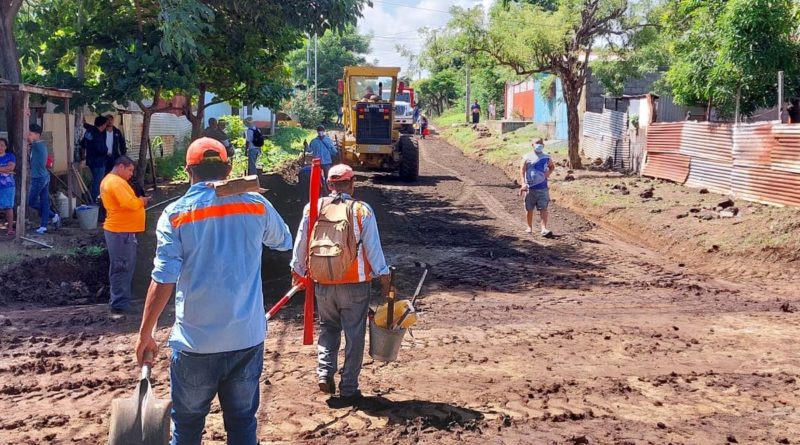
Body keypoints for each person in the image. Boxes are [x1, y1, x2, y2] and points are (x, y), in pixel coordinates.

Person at [135, 137, 292, 444]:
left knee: (188, 428)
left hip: (196, 344)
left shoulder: (176, 214)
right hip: (246, 339)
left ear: (188, 171)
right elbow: (283, 241)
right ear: (228, 168)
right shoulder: (256, 204)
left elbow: (164, 277)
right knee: (243, 423)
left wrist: (146, 333)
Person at [290, 164, 391, 406]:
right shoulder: (361, 211)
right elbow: (373, 250)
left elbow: (302, 242)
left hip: (323, 283)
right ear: (352, 184)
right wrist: (385, 279)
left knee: (328, 328)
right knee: (354, 336)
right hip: (355, 286)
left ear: (329, 185)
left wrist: (298, 271)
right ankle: (348, 388)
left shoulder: (313, 208)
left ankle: (324, 372)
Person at [100, 156, 150, 313]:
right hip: (120, 232)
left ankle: (121, 300)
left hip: (122, 231)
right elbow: (128, 203)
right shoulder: (115, 182)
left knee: (124, 266)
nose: (131, 174)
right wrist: (142, 201)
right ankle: (120, 303)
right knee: (122, 266)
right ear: (121, 166)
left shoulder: (114, 181)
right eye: (130, 170)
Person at [519, 138, 555, 237]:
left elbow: (552, 166)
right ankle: (529, 227)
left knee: (543, 208)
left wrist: (549, 172)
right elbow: (522, 171)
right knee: (529, 208)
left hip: (543, 187)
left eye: (541, 143)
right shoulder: (527, 157)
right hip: (530, 187)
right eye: (537, 143)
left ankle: (543, 229)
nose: (539, 145)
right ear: (532, 145)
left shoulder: (546, 157)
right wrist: (523, 183)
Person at [28, 124, 59, 235]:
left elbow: (26, 139)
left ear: (37, 135)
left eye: (30, 134)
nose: (28, 136)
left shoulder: (37, 145)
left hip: (39, 179)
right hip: (44, 176)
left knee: (31, 202)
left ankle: (51, 215)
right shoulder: (39, 145)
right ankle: (45, 224)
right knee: (44, 203)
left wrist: (27, 114)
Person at [83, 115, 109, 203]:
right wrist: (106, 152)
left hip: (90, 159)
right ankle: (95, 200)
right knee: (98, 182)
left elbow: (83, 143)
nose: (106, 126)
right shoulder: (97, 134)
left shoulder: (89, 132)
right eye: (105, 124)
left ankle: (94, 198)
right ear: (102, 125)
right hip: (99, 161)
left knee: (95, 181)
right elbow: (100, 149)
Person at [0, 138, 16, 236]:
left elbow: (11, 167)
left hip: (8, 186)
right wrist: (4, 170)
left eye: (2, 145)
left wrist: (7, 169)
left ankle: (10, 229)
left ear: (6, 147)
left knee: (8, 207)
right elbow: (7, 169)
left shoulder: (10, 156)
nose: (0, 147)